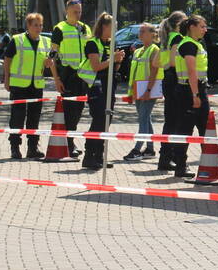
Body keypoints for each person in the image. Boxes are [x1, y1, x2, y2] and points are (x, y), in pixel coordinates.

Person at [76, 13, 125, 170]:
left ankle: (99, 155)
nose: (114, 30)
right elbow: (96, 66)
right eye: (113, 26)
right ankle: (89, 155)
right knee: (98, 119)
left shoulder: (110, 43)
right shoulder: (92, 43)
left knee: (107, 120)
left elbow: (113, 67)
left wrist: (118, 61)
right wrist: (113, 59)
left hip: (110, 84)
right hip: (96, 85)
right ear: (104, 27)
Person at [3, 12, 52, 160]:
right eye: (35, 25)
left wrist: (48, 64)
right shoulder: (17, 40)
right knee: (17, 117)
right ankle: (15, 147)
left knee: (34, 117)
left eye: (41, 25)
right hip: (19, 85)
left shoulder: (45, 42)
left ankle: (32, 148)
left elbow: (47, 61)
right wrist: (7, 78)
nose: (38, 28)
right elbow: (7, 59)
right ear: (28, 26)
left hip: (36, 85)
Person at [170, 15, 211, 178]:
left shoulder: (195, 44)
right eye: (202, 26)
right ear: (191, 27)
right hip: (189, 91)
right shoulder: (188, 44)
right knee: (185, 129)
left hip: (196, 88)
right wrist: (195, 95)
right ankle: (180, 166)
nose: (205, 29)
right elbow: (191, 71)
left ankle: (211, 163)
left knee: (205, 128)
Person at [51, 0, 92, 160]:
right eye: (75, 11)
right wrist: (56, 79)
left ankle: (71, 141)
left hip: (83, 76)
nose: (78, 14)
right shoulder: (59, 29)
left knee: (79, 110)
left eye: (80, 11)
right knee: (70, 112)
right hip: (68, 75)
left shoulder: (84, 28)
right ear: (67, 12)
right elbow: (52, 55)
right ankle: (69, 144)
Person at [124, 23, 161, 161]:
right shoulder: (138, 51)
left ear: (152, 34)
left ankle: (137, 149)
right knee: (145, 118)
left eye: (143, 31)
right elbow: (134, 74)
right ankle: (150, 149)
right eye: (140, 31)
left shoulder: (154, 50)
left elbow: (154, 72)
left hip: (148, 90)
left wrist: (148, 90)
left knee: (143, 119)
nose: (140, 34)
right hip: (138, 90)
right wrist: (131, 93)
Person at [156, 11, 187, 172]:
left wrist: (166, 66)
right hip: (175, 79)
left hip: (167, 79)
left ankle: (166, 157)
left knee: (170, 120)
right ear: (178, 24)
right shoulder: (177, 38)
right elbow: (175, 62)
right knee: (176, 121)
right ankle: (169, 156)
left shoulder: (166, 39)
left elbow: (157, 61)